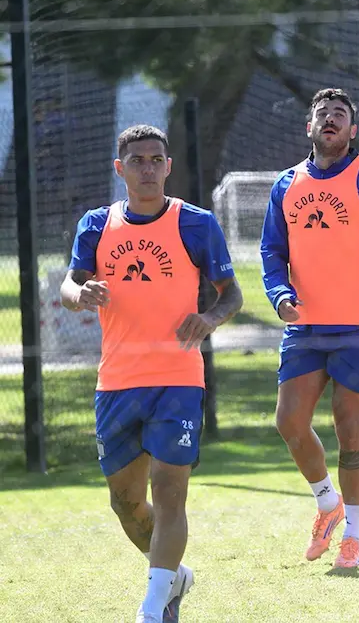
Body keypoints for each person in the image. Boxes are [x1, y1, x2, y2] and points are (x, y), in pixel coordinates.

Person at [62, 125, 243, 623]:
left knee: (169, 491)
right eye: (137, 160)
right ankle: (174, 576)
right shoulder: (96, 225)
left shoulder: (196, 223)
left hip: (178, 378)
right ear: (119, 168)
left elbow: (231, 293)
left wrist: (209, 318)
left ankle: (152, 607)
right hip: (117, 382)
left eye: (155, 159)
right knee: (125, 503)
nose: (147, 168)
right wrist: (80, 294)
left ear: (168, 166)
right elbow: (69, 285)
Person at [260, 88, 359, 569]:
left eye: (339, 115)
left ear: (352, 129)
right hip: (305, 327)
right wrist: (280, 294)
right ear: (308, 127)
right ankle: (328, 503)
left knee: (350, 429)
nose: (329, 119)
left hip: (358, 327)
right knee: (289, 421)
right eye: (322, 114)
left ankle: (355, 535)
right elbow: (271, 252)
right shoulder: (286, 184)